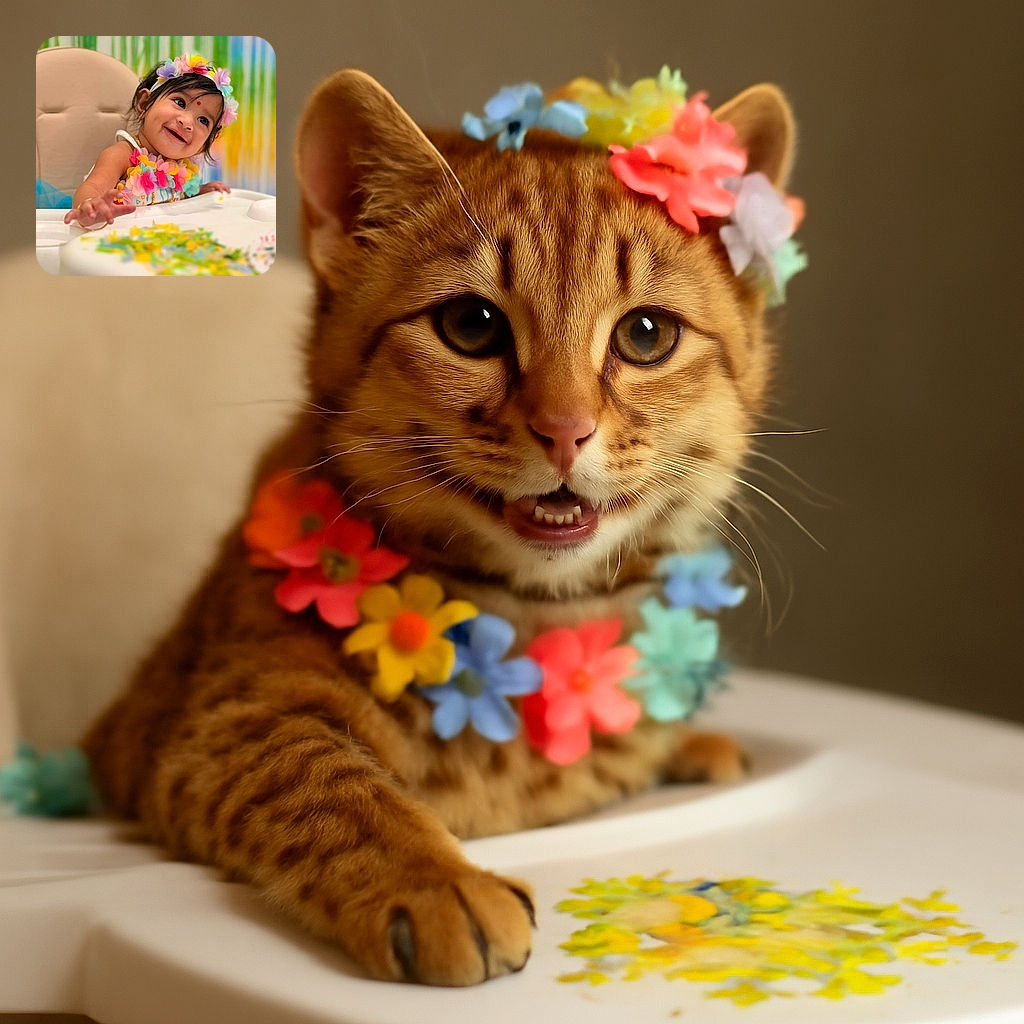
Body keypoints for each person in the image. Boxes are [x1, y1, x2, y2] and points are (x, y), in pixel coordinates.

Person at [64, 54, 238, 229]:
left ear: (205, 144)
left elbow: (171, 203)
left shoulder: (184, 170)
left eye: (203, 120)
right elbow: (93, 186)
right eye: (180, 102)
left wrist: (198, 193)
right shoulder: (122, 154)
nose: (187, 122)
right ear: (144, 103)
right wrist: (91, 207)